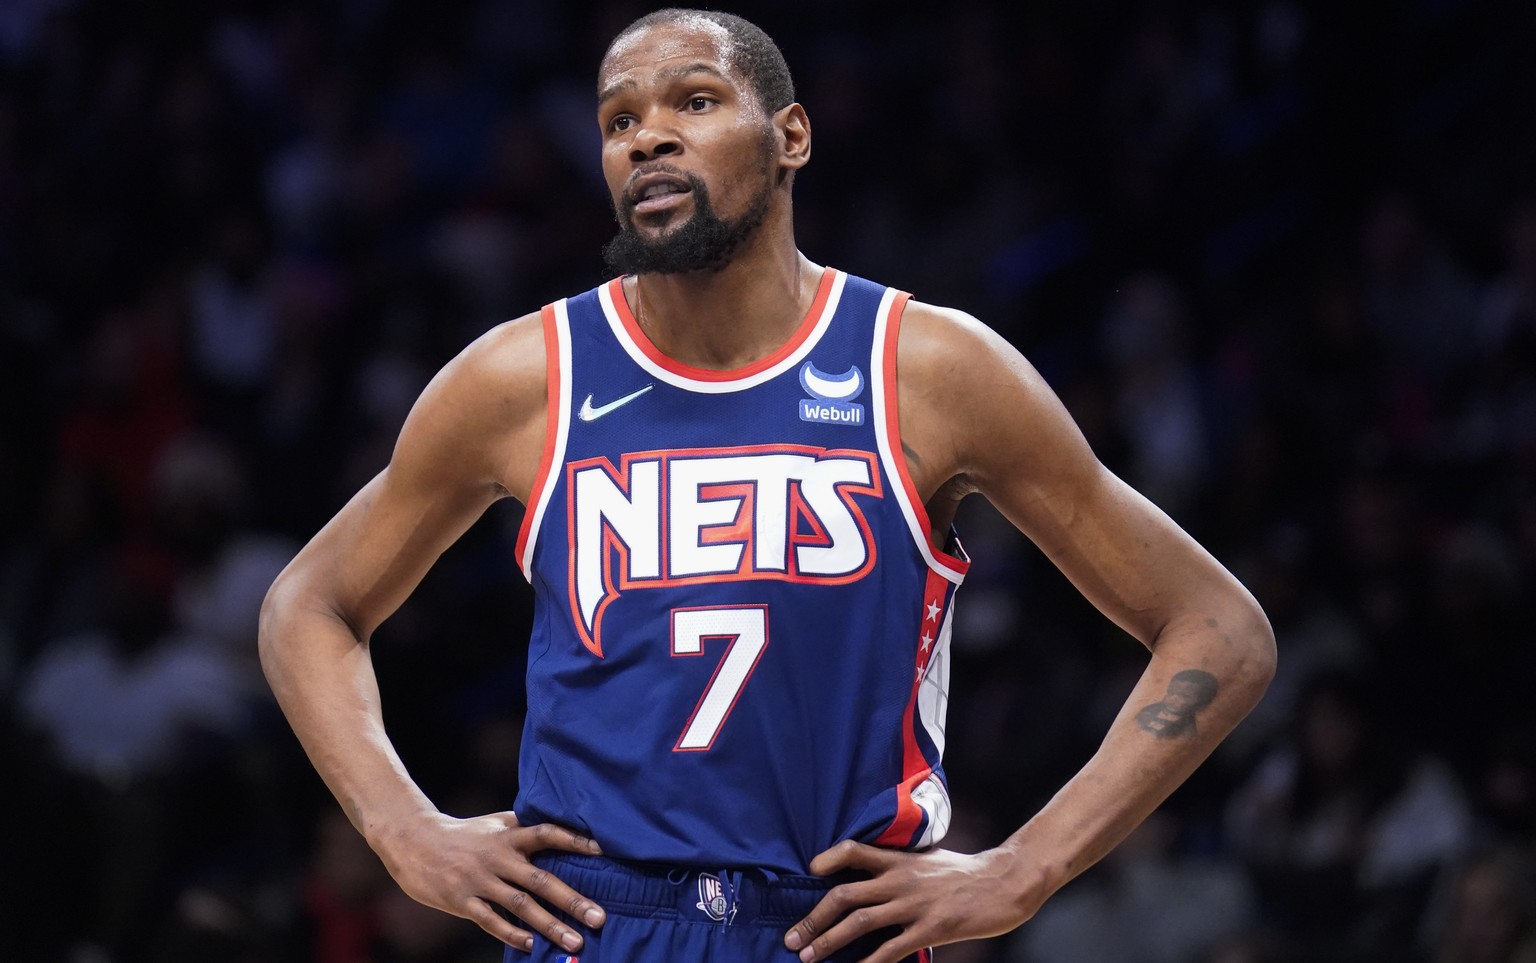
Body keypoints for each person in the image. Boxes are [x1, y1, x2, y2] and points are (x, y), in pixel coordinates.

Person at [258, 9, 1276, 962]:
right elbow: (311, 602)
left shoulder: (927, 368)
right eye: (620, 120)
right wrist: (404, 831)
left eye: (692, 101)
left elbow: (1219, 631)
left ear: (790, 136)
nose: (647, 138)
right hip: (599, 921)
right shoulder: (523, 378)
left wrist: (1027, 866)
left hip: (832, 924)